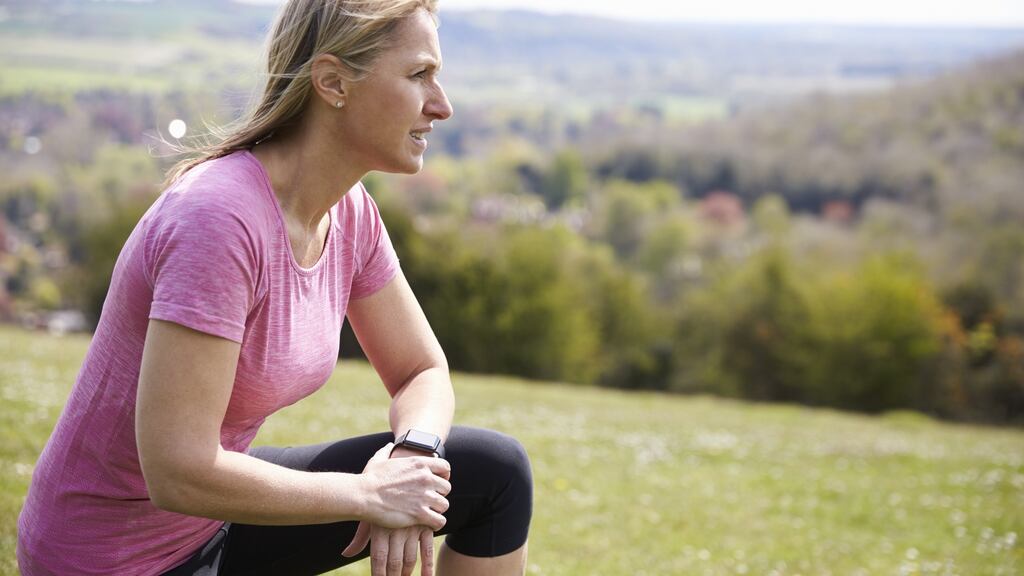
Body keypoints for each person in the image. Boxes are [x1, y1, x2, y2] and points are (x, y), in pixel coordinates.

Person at [16, 0, 533, 574]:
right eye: (419, 76)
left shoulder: (348, 213)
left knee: (494, 473)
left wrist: (413, 458)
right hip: (112, 559)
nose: (442, 105)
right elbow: (177, 470)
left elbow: (421, 371)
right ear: (334, 82)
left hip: (214, 522)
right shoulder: (217, 221)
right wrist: (371, 495)